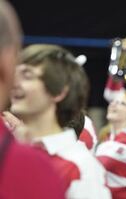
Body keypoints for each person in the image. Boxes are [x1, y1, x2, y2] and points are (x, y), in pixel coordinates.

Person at [9, 44, 111, 198]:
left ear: (59, 92)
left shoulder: (80, 166)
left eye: (27, 76)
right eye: (15, 75)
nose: (14, 83)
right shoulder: (11, 152)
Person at [0, 1, 65, 199]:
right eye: (19, 72)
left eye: (28, 75)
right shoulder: (29, 165)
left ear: (59, 91)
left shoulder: (73, 161)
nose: (18, 83)